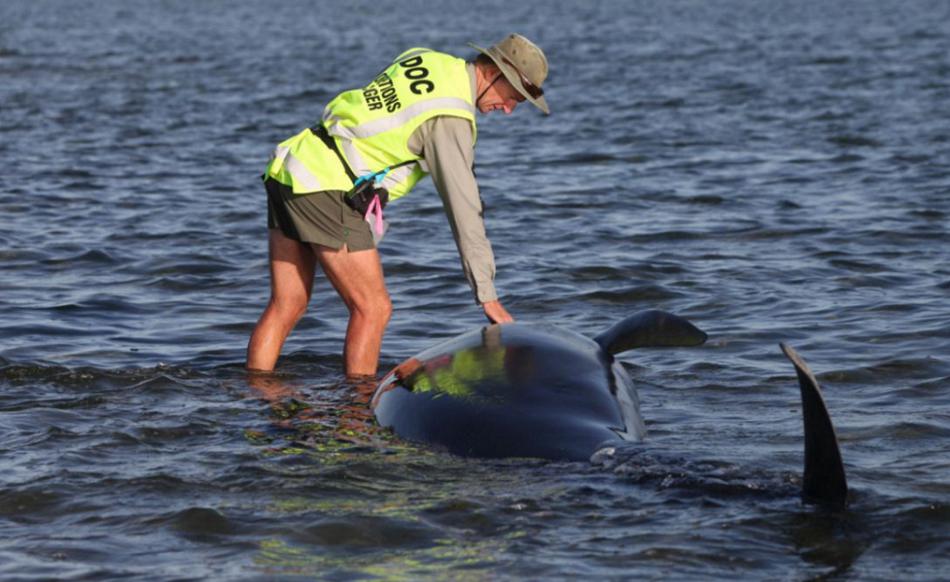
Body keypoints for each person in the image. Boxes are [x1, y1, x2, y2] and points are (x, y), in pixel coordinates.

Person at [246, 34, 550, 378]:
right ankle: (357, 416)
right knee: (373, 308)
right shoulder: (451, 119)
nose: (509, 109)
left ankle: (256, 397)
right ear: (495, 72)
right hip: (326, 187)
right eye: (513, 97)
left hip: (292, 166)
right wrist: (487, 296)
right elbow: (465, 211)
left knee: (288, 304)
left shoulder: (426, 58)